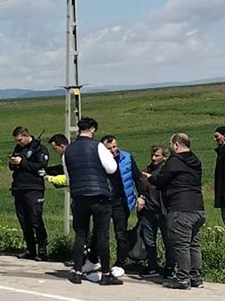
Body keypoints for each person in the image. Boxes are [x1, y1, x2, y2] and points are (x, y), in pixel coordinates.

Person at [63, 117, 121, 285]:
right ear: (93, 130)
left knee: (81, 234)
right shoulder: (98, 146)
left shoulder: (68, 150)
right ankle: (106, 274)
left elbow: (68, 176)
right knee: (102, 234)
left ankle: (77, 272)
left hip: (79, 196)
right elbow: (112, 168)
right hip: (99, 195)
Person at [148, 133, 205, 289]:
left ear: (177, 145)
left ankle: (182, 278)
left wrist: (149, 178)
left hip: (180, 207)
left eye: (170, 144)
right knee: (193, 244)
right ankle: (195, 277)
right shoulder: (196, 160)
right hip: (197, 207)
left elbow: (161, 180)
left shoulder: (174, 161)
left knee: (181, 245)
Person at [100, 135, 145, 277]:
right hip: (104, 201)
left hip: (121, 201)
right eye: (109, 148)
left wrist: (141, 196)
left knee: (121, 234)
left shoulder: (127, 157)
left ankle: (120, 263)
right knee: (101, 233)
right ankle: (97, 260)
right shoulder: (99, 160)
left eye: (115, 146)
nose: (113, 150)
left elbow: (137, 178)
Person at [8, 127, 50, 261]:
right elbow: (13, 166)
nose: (18, 142)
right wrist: (13, 162)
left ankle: (42, 250)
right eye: (17, 140)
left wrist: (23, 162)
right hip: (19, 187)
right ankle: (30, 249)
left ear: (26, 136)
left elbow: (40, 166)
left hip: (33, 188)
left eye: (20, 140)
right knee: (24, 220)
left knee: (35, 219)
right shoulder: (18, 148)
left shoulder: (39, 149)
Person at [137, 145, 174, 278]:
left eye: (157, 156)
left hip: (163, 211)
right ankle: (152, 266)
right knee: (149, 241)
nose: (153, 158)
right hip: (148, 211)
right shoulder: (146, 170)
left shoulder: (166, 171)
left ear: (164, 157)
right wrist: (141, 197)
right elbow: (141, 187)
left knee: (168, 240)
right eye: (152, 155)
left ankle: (170, 268)